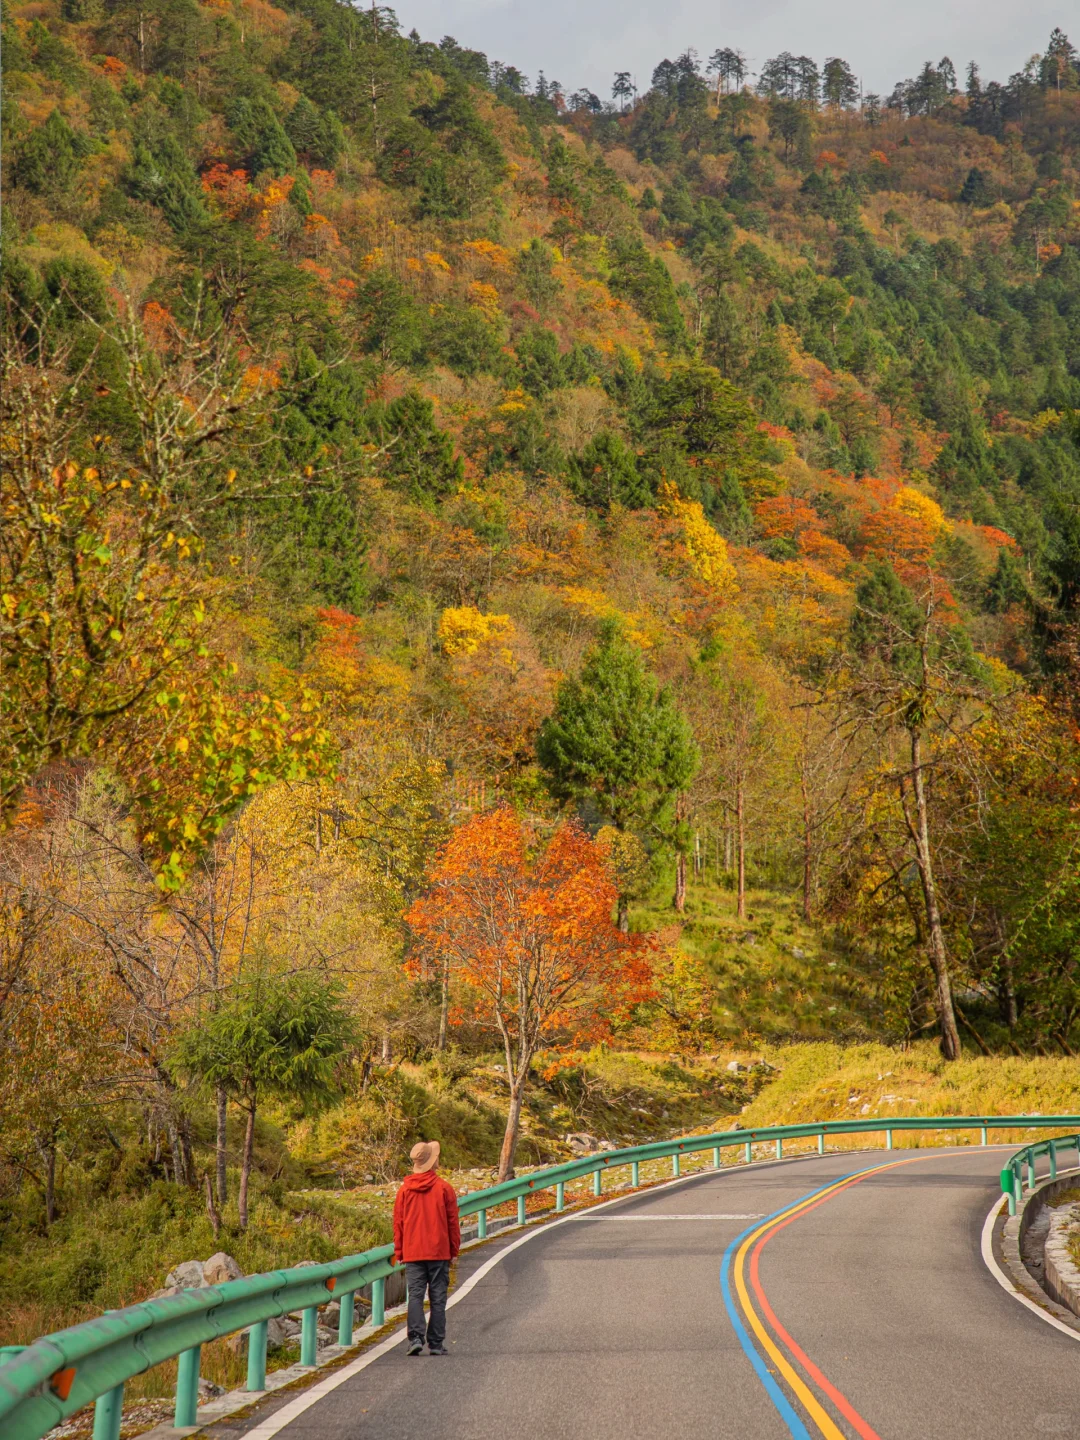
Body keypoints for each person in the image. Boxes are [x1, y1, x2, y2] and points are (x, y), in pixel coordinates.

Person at [392, 1139, 460, 1356]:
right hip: (438, 1251)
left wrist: (399, 1251)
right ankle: (436, 1343)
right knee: (438, 1297)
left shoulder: (404, 1190)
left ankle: (415, 1338)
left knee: (415, 1295)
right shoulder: (444, 1188)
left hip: (413, 1252)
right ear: (432, 1162)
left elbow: (398, 1222)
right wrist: (454, 1250)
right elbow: (452, 1222)